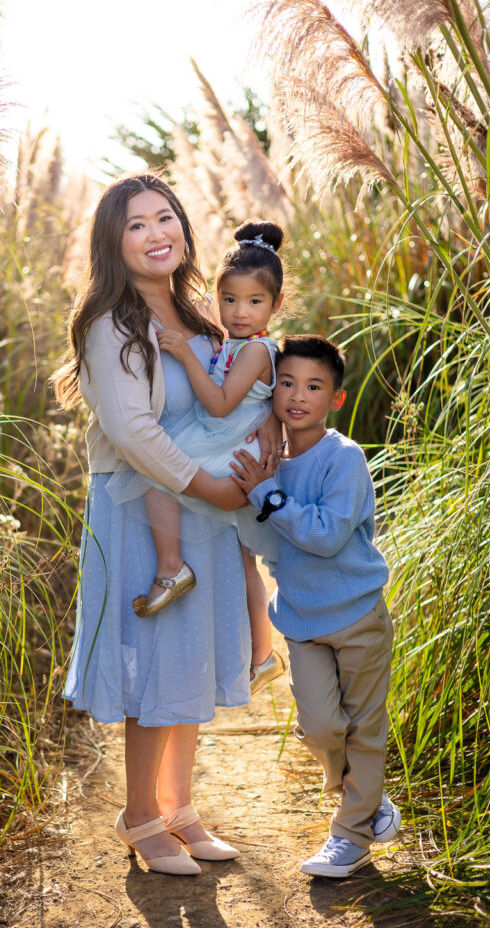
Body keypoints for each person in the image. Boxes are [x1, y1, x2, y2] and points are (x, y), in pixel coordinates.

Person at [52, 173, 282, 876]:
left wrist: (267, 437)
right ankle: (139, 816)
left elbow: (238, 400)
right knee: (152, 659)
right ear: (113, 245)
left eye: (164, 219)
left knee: (188, 658)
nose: (156, 235)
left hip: (203, 510)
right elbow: (131, 431)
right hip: (141, 505)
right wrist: (210, 485)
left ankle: (179, 809)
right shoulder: (108, 323)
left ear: (183, 227)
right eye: (135, 225)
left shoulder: (204, 319)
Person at [231, 334, 401, 878]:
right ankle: (367, 799)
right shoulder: (269, 463)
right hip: (302, 622)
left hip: (357, 617)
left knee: (364, 728)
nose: (297, 395)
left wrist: (268, 496)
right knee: (322, 726)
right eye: (286, 383)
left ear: (336, 400)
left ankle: (349, 835)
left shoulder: (342, 459)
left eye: (313, 386)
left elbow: (326, 536)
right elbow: (261, 539)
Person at [114, 219, 287, 693]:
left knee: (154, 465)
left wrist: (185, 354)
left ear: (276, 305)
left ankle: (172, 568)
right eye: (229, 299)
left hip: (224, 441)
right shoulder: (235, 341)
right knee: (241, 556)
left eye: (255, 302)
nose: (239, 311)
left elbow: (218, 403)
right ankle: (263, 655)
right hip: (225, 436)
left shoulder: (255, 351)